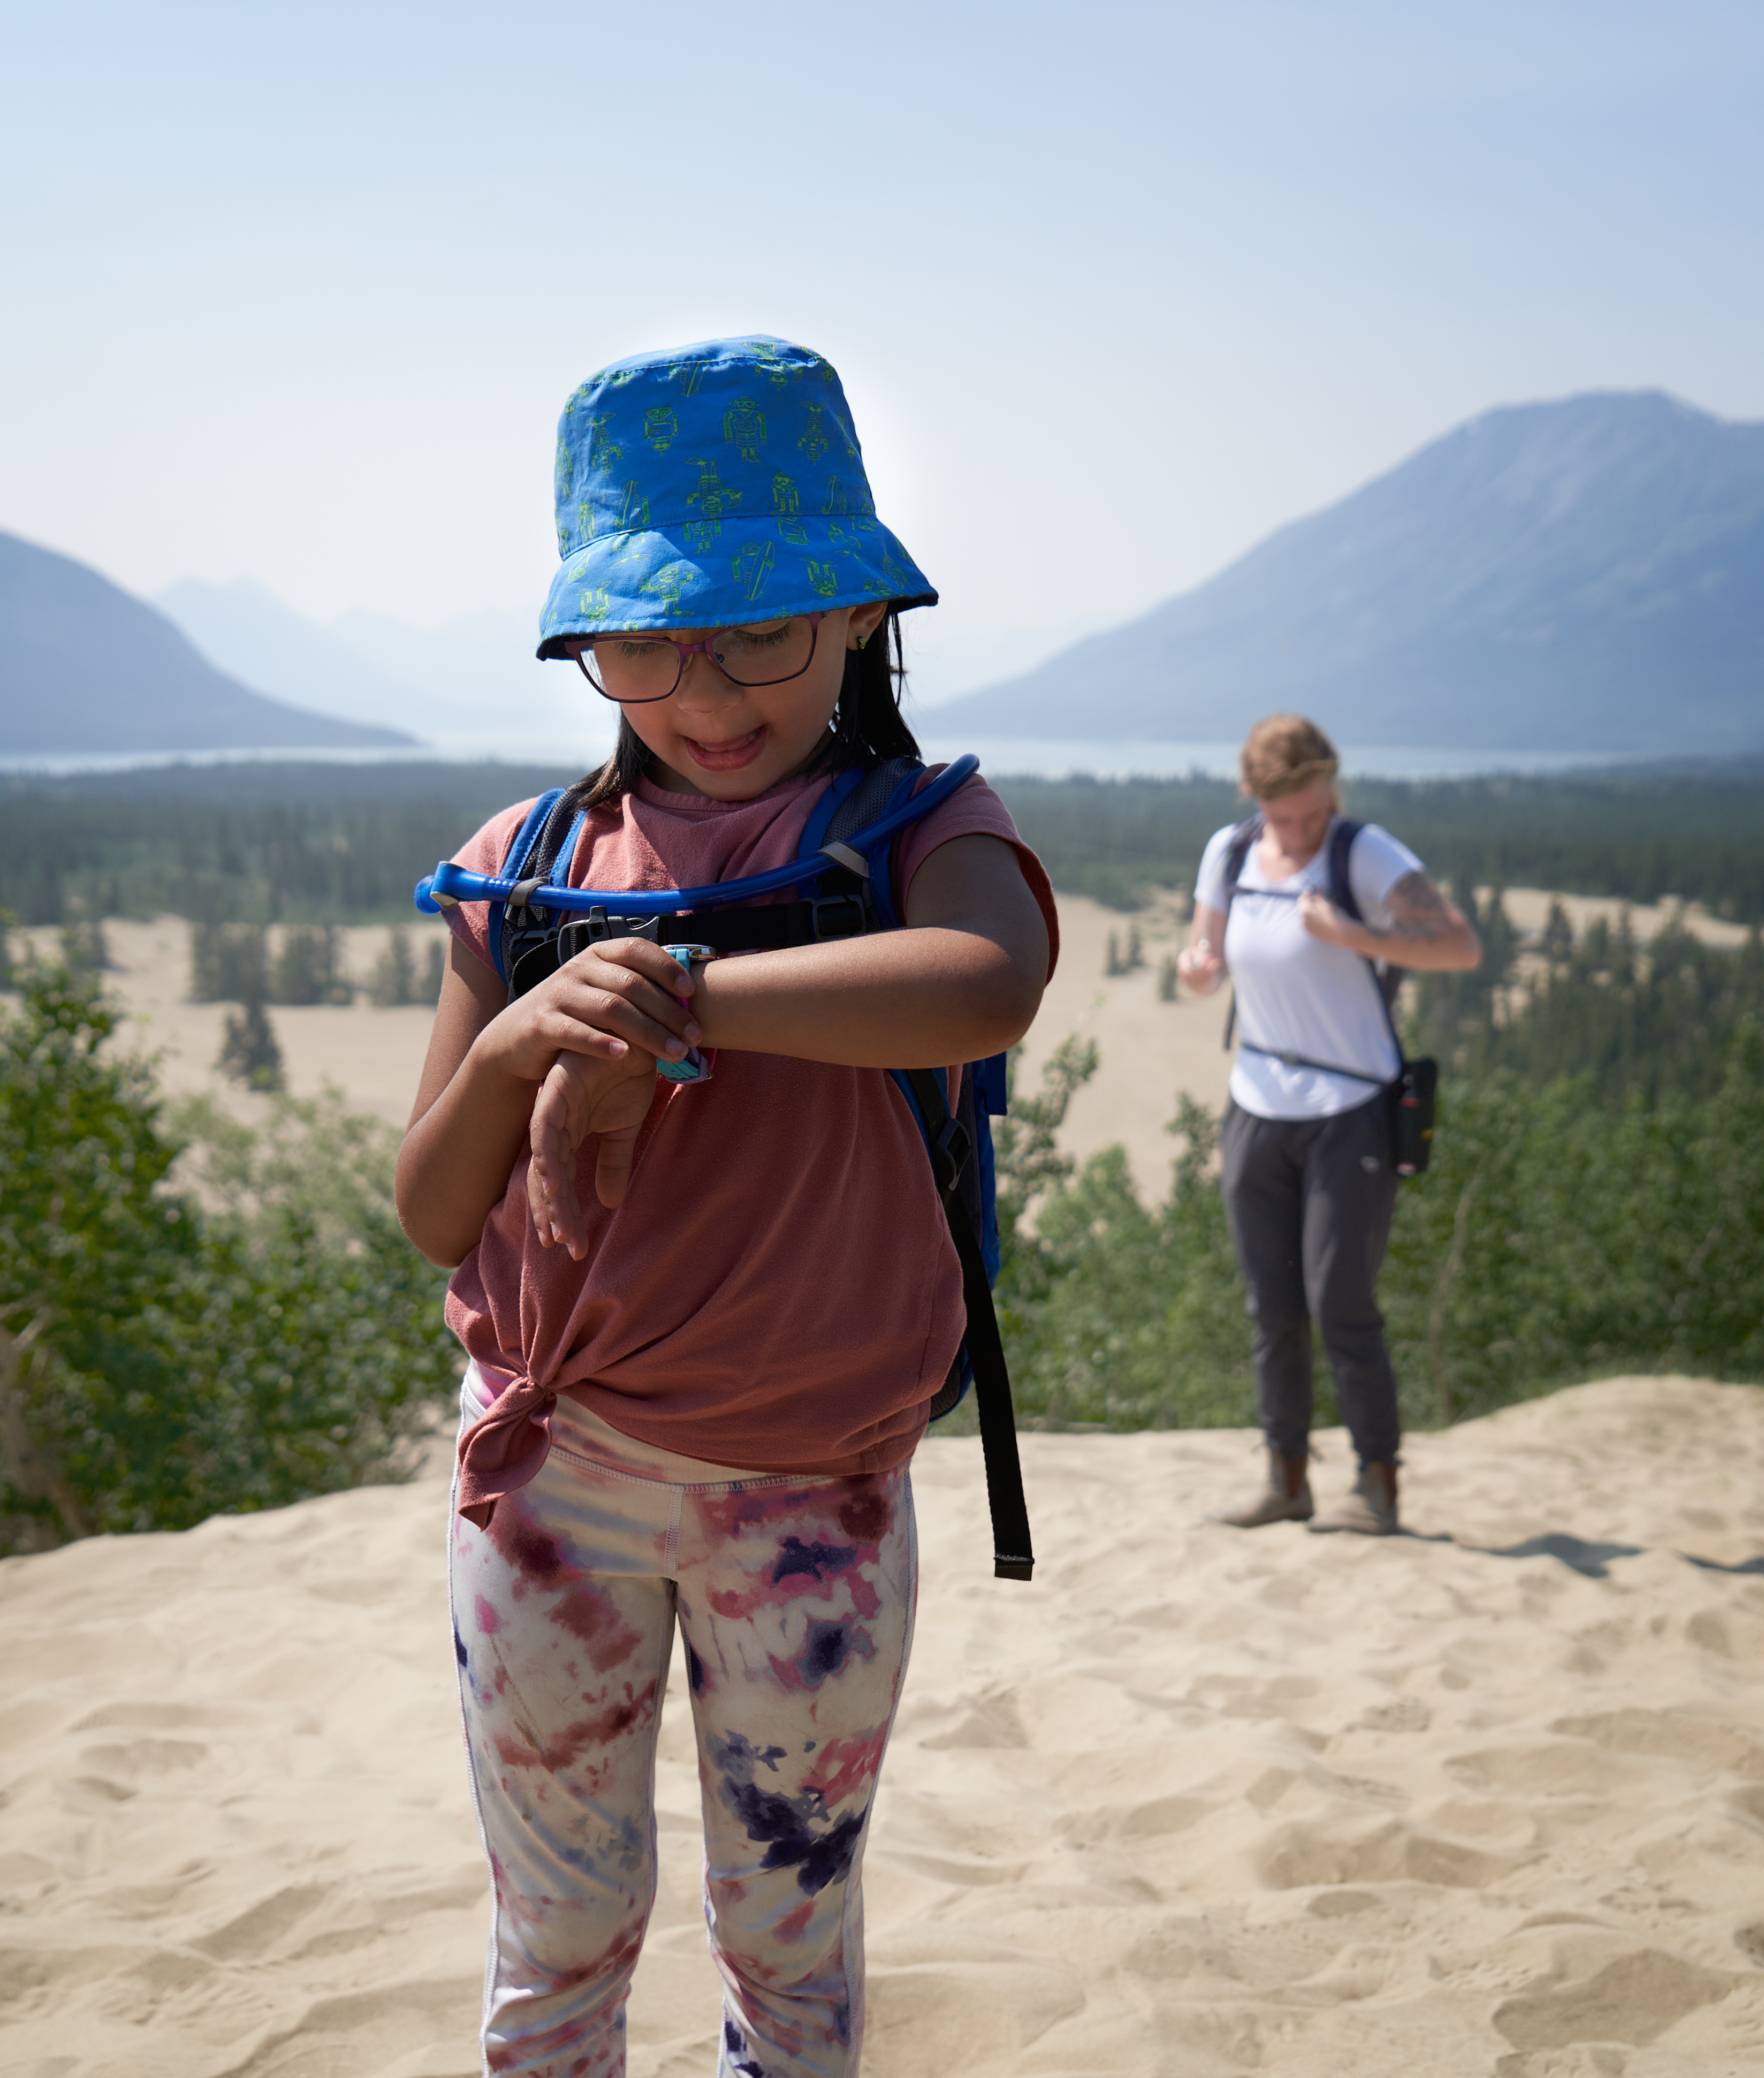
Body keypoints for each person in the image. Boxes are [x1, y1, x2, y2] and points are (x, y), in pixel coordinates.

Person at [397, 335, 1058, 2078]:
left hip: (811, 1496)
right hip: (552, 1483)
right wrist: (530, 1037)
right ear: (585, 644)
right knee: (552, 1950)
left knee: (789, 1954)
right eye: (644, 642)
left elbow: (985, 983)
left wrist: (666, 1001)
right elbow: (428, 1205)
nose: (700, 688)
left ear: (853, 618)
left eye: (760, 628)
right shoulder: (524, 861)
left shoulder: (915, 825)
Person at [1174, 715, 1481, 1536]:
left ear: (1331, 788)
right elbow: (1200, 960)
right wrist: (1195, 971)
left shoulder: (1364, 852)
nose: (1303, 830)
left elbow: (1459, 946)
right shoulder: (1230, 853)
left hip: (1352, 1114)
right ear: (1257, 798)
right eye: (1286, 816)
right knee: (1272, 1306)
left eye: (1314, 812)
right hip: (1257, 1104)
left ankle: (1376, 1486)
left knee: (1340, 1300)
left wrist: (1353, 935)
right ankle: (1285, 1480)